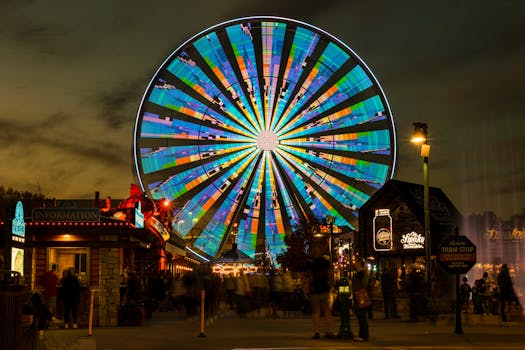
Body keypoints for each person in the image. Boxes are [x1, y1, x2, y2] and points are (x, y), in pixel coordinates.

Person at [308, 256, 334, 339]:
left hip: (314, 291)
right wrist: (330, 286)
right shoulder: (326, 264)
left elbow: (309, 277)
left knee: (316, 312)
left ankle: (316, 331)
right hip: (324, 289)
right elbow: (330, 275)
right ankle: (329, 331)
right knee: (327, 311)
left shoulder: (312, 265)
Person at [352, 259, 369, 341]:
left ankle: (363, 335)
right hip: (358, 294)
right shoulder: (360, 273)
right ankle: (362, 334)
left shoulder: (361, 273)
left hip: (360, 295)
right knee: (361, 316)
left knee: (361, 316)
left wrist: (357, 290)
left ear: (359, 264)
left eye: (356, 262)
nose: (354, 264)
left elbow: (363, 284)